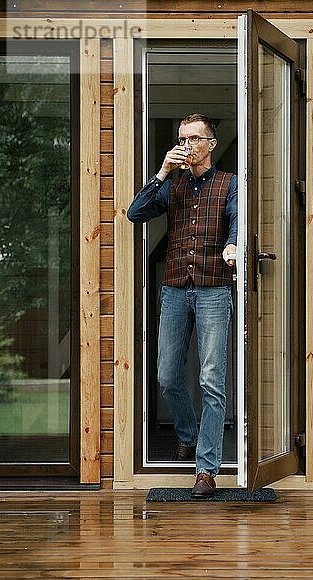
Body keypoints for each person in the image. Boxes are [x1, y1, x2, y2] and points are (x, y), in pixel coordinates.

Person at [127, 114, 237, 498]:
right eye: (181, 139)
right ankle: (187, 435)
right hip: (175, 287)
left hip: (213, 288)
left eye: (192, 139)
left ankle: (206, 469)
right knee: (167, 376)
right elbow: (134, 213)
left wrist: (233, 245)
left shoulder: (229, 183)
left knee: (210, 378)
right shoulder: (170, 186)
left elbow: (237, 221)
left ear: (210, 143)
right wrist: (161, 170)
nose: (186, 145)